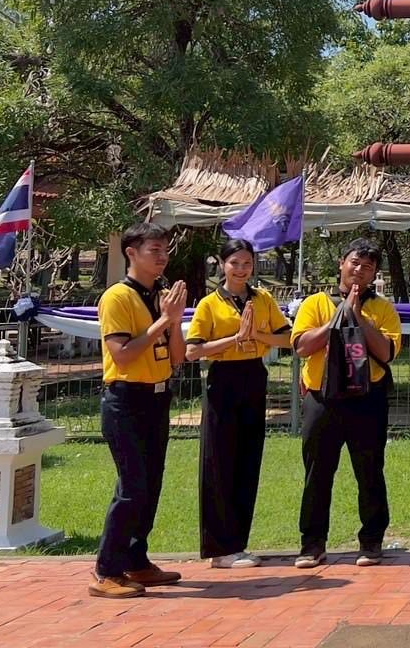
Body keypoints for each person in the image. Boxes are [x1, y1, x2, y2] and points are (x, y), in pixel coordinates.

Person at [89, 222, 187, 598]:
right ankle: (107, 571)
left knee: (151, 485)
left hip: (157, 398)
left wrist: (173, 322)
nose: (162, 257)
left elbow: (177, 357)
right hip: (126, 399)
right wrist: (164, 320)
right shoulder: (117, 297)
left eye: (165, 250)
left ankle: (136, 560)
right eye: (154, 250)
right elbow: (123, 355)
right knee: (132, 487)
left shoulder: (160, 296)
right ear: (131, 253)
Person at [290, 238, 402, 569]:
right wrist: (338, 317)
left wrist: (357, 316)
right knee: (317, 472)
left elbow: (387, 352)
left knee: (370, 470)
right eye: (354, 263)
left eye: (368, 267)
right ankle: (312, 543)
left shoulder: (382, 308)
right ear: (341, 263)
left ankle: (371, 540)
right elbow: (301, 346)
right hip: (322, 398)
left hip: (367, 398)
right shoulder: (316, 303)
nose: (359, 271)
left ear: (374, 273)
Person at [186, 238, 292, 569]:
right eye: (235, 263)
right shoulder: (209, 304)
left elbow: (287, 337)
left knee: (248, 460)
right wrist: (235, 338)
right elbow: (193, 351)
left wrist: (257, 336)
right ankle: (219, 548)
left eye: (247, 263)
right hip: (223, 379)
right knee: (219, 461)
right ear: (222, 264)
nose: (241, 269)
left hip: (254, 376)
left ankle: (238, 543)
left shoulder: (263, 299)